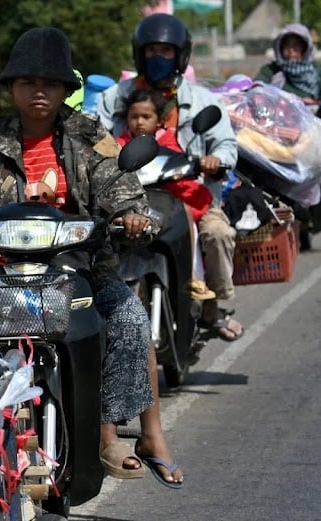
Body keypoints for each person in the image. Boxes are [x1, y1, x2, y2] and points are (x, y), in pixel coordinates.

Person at [0, 26, 183, 487]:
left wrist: (132, 215)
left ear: (64, 91)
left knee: (130, 319)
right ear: (12, 89)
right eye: (28, 83)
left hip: (77, 271)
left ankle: (107, 431)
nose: (40, 92)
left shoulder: (90, 137)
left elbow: (120, 186)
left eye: (51, 84)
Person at [98, 13, 245, 343]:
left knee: (218, 232)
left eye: (166, 51)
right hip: (128, 193)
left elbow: (225, 142)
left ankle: (212, 306)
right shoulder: (114, 96)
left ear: (180, 55)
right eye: (151, 51)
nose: (158, 58)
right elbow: (92, 135)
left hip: (191, 192)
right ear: (140, 54)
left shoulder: (203, 100)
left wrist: (216, 160)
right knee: (93, 238)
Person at [116, 88, 216, 302]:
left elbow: (177, 160)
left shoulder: (167, 140)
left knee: (187, 215)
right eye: (134, 117)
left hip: (168, 199)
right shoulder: (119, 143)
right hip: (133, 201)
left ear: (159, 120)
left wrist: (199, 163)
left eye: (146, 117)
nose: (140, 122)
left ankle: (194, 276)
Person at [256, 23, 321, 224]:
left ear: (306, 49)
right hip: (281, 128)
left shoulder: (318, 71)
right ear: (279, 48)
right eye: (287, 46)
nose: (291, 51)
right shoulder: (271, 70)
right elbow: (257, 86)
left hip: (318, 127)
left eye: (296, 46)